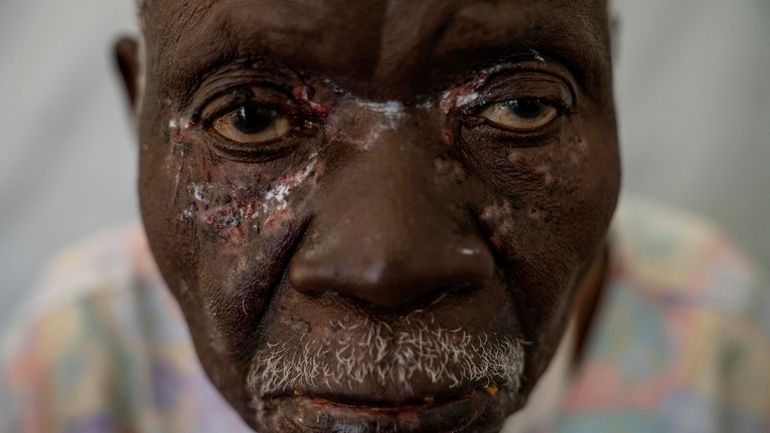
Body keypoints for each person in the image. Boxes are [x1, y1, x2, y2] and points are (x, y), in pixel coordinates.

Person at [1, 0, 768, 432]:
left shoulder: (716, 348)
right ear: (141, 110)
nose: (386, 262)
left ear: (607, 92)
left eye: (520, 106)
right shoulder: (79, 364)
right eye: (250, 116)